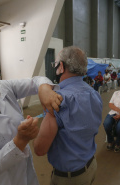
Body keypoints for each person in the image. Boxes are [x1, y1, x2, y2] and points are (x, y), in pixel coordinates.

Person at [0, 46, 63, 185]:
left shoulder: (3, 86)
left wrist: (44, 88)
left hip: (24, 175)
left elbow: (36, 81)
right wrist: (21, 140)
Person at [33, 46, 102, 185]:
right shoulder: (94, 94)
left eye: (56, 64)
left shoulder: (57, 101)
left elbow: (40, 149)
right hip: (91, 166)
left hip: (69, 178)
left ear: (61, 67)